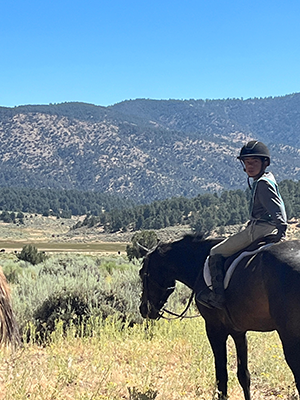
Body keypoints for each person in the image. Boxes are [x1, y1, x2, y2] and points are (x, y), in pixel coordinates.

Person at [196, 140, 287, 310]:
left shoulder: (263, 184)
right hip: (262, 226)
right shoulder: (267, 178)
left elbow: (277, 209)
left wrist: (282, 229)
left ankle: (217, 297)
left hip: (260, 229)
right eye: (247, 162)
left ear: (264, 163)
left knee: (215, 251)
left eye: (254, 162)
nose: (250, 166)